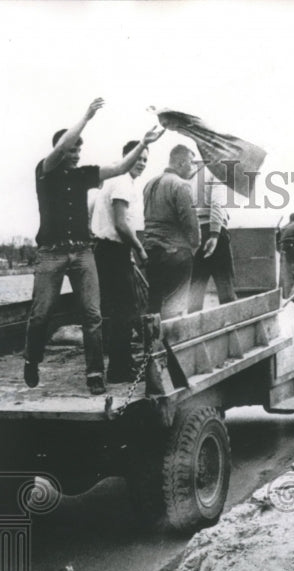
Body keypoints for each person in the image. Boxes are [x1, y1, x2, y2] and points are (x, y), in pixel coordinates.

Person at [23, 98, 163, 395]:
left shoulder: (82, 174)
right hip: (51, 253)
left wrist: (142, 143)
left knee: (93, 314)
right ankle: (32, 358)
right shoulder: (44, 172)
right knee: (41, 312)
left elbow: (119, 167)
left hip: (83, 252)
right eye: (71, 149)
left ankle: (95, 373)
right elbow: (60, 149)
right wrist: (86, 117)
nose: (74, 154)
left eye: (78, 150)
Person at [90, 139, 152, 383]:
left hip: (109, 251)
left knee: (118, 311)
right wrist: (139, 249)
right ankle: (119, 369)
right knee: (124, 311)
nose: (142, 164)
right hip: (112, 251)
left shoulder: (115, 180)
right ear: (129, 156)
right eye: (139, 158)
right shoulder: (123, 181)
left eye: (146, 160)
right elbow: (120, 223)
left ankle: (122, 363)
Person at [142, 144, 201, 319]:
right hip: (176, 254)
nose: (193, 167)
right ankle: (174, 344)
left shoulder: (149, 184)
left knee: (154, 305)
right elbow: (190, 221)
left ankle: (153, 344)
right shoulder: (181, 185)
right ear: (181, 163)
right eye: (191, 162)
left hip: (152, 252)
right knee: (175, 307)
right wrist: (195, 244)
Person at [187, 169, 236, 312]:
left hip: (197, 231)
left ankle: (193, 329)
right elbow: (217, 203)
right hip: (215, 234)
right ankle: (231, 328)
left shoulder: (193, 175)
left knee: (196, 289)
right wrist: (215, 234)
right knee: (226, 288)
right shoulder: (217, 173)